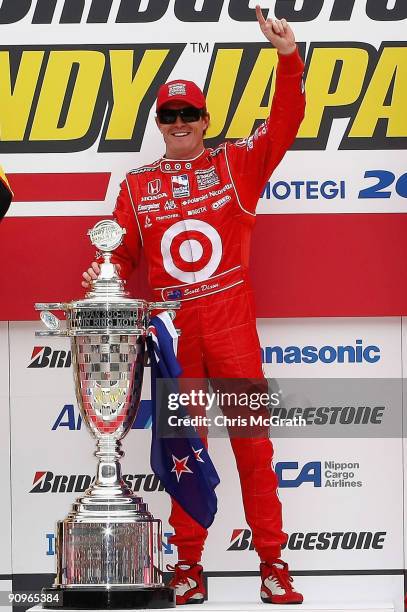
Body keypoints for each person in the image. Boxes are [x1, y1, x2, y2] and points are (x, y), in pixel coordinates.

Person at [83, 5, 305, 605]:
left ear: (205, 120)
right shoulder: (135, 185)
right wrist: (101, 273)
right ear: (160, 123)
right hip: (176, 334)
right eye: (169, 114)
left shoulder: (236, 165)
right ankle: (188, 565)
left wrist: (288, 58)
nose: (179, 122)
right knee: (185, 450)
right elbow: (119, 255)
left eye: (188, 113)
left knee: (254, 448)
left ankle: (273, 563)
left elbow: (285, 123)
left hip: (232, 325)